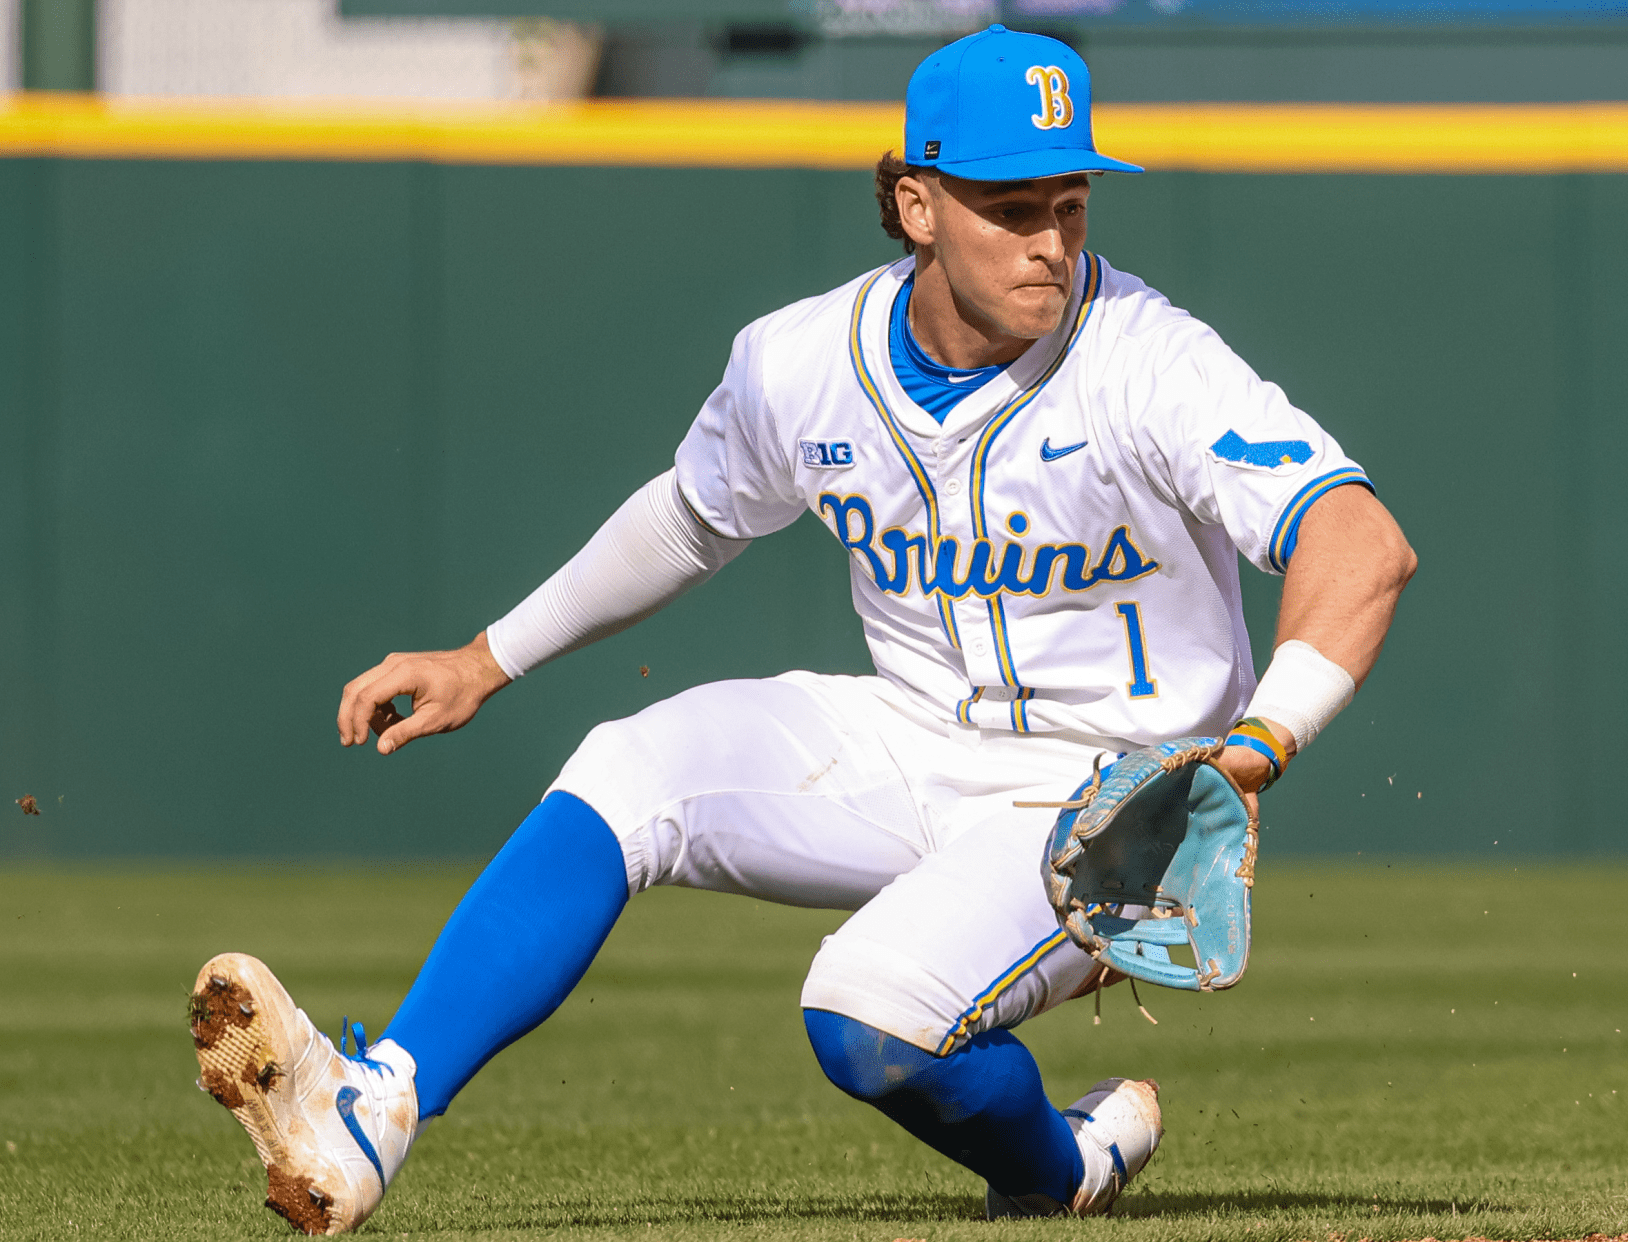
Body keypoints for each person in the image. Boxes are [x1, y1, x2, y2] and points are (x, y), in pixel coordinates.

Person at [185, 24, 1417, 1236]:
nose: (1049, 241)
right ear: (916, 201)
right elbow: (686, 519)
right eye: (1009, 206)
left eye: (1071, 203)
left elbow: (1361, 544)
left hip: (1117, 803)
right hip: (910, 738)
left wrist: (1258, 747)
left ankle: (1060, 1163)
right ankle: (376, 1107)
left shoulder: (1149, 359)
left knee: (866, 1010)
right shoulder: (801, 360)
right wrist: (487, 658)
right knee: (630, 767)